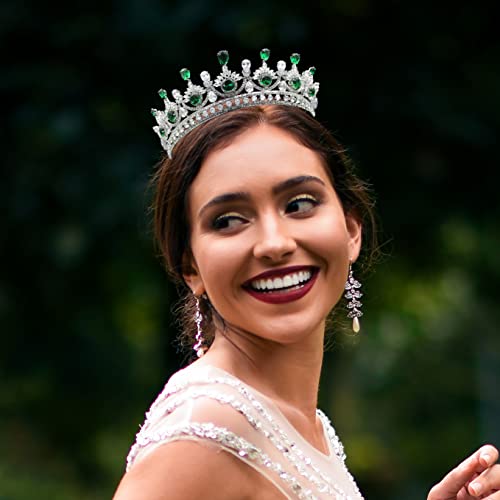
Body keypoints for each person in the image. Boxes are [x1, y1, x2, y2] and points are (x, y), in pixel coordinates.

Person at [113, 48, 499, 499]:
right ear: (189, 266)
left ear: (351, 229)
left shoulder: (306, 425)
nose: (275, 243)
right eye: (229, 220)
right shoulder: (204, 432)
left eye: (299, 204)